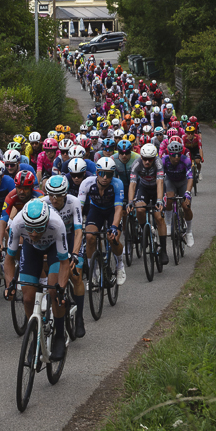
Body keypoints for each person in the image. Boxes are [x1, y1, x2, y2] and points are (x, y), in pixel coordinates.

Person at [3, 198, 72, 360]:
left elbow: (64, 263)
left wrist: (61, 288)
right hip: (31, 250)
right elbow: (9, 259)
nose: (34, 233)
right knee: (27, 298)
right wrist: (9, 285)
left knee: (54, 292)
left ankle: (60, 335)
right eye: (30, 229)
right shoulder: (18, 223)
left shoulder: (57, 223)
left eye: (39, 228)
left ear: (46, 223)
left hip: (54, 248)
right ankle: (35, 336)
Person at [43, 174, 86, 338]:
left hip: (70, 238)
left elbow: (78, 231)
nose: (54, 199)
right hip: (54, 241)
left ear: (65, 194)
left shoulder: (73, 202)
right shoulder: (44, 203)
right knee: (50, 276)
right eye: (51, 195)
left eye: (58, 196)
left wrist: (75, 254)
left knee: (76, 277)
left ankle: (80, 317)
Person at [78, 156, 127, 284]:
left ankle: (120, 265)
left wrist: (114, 227)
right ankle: (93, 271)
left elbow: (118, 209)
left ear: (113, 174)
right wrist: (77, 226)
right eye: (102, 174)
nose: (105, 178)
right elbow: (79, 207)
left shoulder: (117, 184)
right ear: (97, 173)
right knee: (89, 237)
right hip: (96, 210)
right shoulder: (87, 183)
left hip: (112, 210)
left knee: (113, 239)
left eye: (109, 174)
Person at [127, 142, 169, 265]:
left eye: (150, 159)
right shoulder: (136, 164)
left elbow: (160, 183)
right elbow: (133, 184)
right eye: (144, 159)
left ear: (154, 158)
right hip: (144, 188)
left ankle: (164, 250)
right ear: (141, 157)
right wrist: (130, 201)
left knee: (158, 217)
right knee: (139, 209)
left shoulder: (158, 163)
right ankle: (144, 230)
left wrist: (160, 200)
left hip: (157, 189)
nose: (147, 162)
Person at [162, 139, 195, 247]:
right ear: (169, 154)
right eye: (173, 155)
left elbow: (190, 178)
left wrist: (188, 192)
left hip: (182, 182)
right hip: (170, 181)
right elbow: (160, 177)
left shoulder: (186, 161)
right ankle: (168, 222)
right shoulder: (163, 160)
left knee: (186, 206)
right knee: (169, 199)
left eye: (178, 155)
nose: (176, 157)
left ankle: (189, 232)